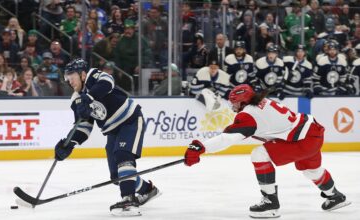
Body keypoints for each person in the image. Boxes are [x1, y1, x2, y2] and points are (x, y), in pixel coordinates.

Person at [183, 84, 351, 218]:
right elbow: (239, 128)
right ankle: (335, 196)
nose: (232, 105)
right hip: (311, 132)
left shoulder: (248, 115)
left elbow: (228, 138)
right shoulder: (261, 102)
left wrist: (200, 147)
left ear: (243, 101)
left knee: (259, 154)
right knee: (311, 170)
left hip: (303, 139)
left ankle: (271, 203)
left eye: (234, 102)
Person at [54, 58, 160, 216]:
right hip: (112, 131)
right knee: (117, 176)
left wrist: (89, 97)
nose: (69, 80)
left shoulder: (92, 76)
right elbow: (84, 127)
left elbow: (108, 81)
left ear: (82, 74)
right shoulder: (76, 98)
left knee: (123, 155)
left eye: (71, 75)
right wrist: (69, 143)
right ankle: (148, 190)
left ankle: (128, 200)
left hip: (130, 120)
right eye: (66, 77)